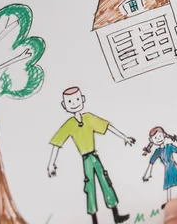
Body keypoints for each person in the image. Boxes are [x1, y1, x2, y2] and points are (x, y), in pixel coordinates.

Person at [47, 86, 136, 224]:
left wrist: (125, 137)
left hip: (95, 157)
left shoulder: (88, 118)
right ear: (64, 105)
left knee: (106, 182)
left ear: (82, 99)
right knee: (90, 187)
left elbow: (107, 126)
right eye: (70, 102)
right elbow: (57, 142)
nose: (75, 103)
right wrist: (51, 164)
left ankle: (115, 214)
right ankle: (94, 220)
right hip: (86, 159)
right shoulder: (69, 124)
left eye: (77, 99)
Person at [142, 126, 177, 208]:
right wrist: (147, 175)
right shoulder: (157, 151)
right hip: (167, 169)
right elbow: (151, 162)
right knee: (168, 184)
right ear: (151, 140)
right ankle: (168, 201)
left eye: (160, 136)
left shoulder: (169, 146)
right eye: (155, 138)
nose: (158, 139)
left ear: (164, 135)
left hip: (173, 166)